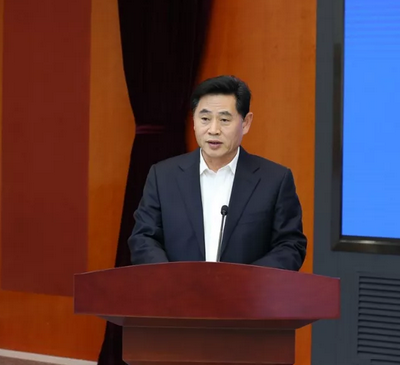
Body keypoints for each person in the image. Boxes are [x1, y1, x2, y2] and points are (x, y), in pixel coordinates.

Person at [128, 75, 307, 271]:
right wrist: (171, 279)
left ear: (246, 123)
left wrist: (247, 281)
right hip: (177, 289)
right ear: (194, 121)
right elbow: (144, 238)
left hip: (248, 290)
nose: (213, 130)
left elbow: (290, 246)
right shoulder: (163, 176)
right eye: (205, 119)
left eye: (224, 120)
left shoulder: (274, 180)